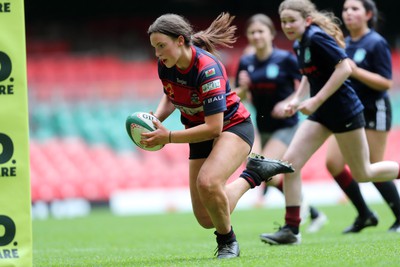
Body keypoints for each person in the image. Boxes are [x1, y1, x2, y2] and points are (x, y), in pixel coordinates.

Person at [142, 12, 295, 258]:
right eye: (154, 48)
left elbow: (214, 128)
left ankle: (227, 242)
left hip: (232, 126)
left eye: (162, 46)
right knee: (205, 217)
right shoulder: (166, 64)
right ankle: (254, 173)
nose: (158, 53)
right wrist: (155, 121)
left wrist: (168, 136)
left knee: (208, 183)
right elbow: (171, 96)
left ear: (180, 41)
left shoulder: (208, 68)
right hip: (197, 130)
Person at [259, 0, 400, 245]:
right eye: (284, 21)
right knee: (289, 164)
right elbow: (307, 75)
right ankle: (292, 230)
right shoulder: (299, 42)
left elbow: (345, 68)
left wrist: (316, 100)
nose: (288, 25)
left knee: (364, 172)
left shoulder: (316, 38)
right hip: (322, 114)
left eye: (293, 20)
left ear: (307, 20)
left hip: (345, 112)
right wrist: (295, 99)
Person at [234, 13, 327, 233]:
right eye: (252, 32)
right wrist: (244, 88)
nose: (256, 36)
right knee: (263, 172)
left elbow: (305, 85)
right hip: (262, 125)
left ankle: (299, 214)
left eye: (260, 31)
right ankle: (312, 211)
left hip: (287, 125)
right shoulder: (246, 62)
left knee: (264, 170)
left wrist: (289, 102)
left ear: (271, 34)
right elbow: (241, 96)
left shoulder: (285, 59)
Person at [326, 0, 400, 234]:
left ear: (368, 14)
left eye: (355, 9)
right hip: (349, 111)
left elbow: (386, 82)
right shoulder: (344, 44)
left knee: (374, 167)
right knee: (333, 163)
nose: (348, 13)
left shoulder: (376, 42)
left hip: (374, 109)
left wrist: (355, 70)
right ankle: (365, 213)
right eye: (346, 9)